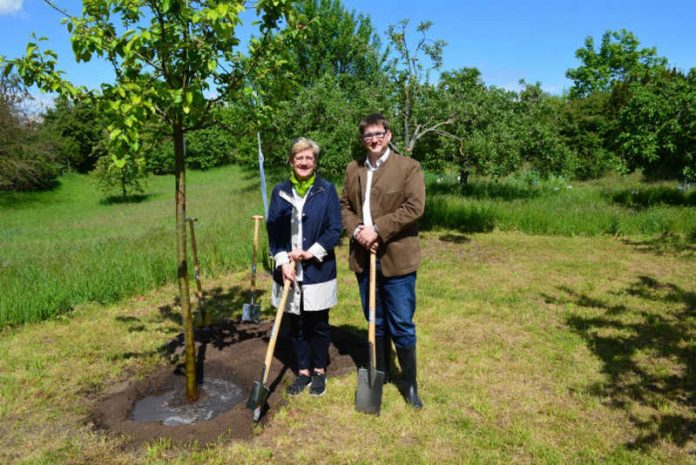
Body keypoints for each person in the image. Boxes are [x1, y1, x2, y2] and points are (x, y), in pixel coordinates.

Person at [340, 113, 426, 409]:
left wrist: (378, 229)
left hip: (396, 257)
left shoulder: (408, 167)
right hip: (364, 258)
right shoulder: (354, 169)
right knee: (374, 320)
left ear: (388, 135)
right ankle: (383, 371)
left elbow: (414, 207)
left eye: (379, 134)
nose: (373, 140)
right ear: (362, 139)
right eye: (367, 136)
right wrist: (356, 231)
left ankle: (410, 383)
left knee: (401, 322)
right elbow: (344, 206)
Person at [267, 137, 342, 397]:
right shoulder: (279, 191)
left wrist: (311, 253)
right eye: (299, 157)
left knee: (318, 323)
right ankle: (302, 372)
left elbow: (335, 229)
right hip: (288, 270)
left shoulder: (326, 190)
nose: (304, 162)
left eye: (309, 158)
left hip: (318, 269)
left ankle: (319, 370)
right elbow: (273, 231)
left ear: (315, 162)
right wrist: (282, 261)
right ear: (291, 161)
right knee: (295, 324)